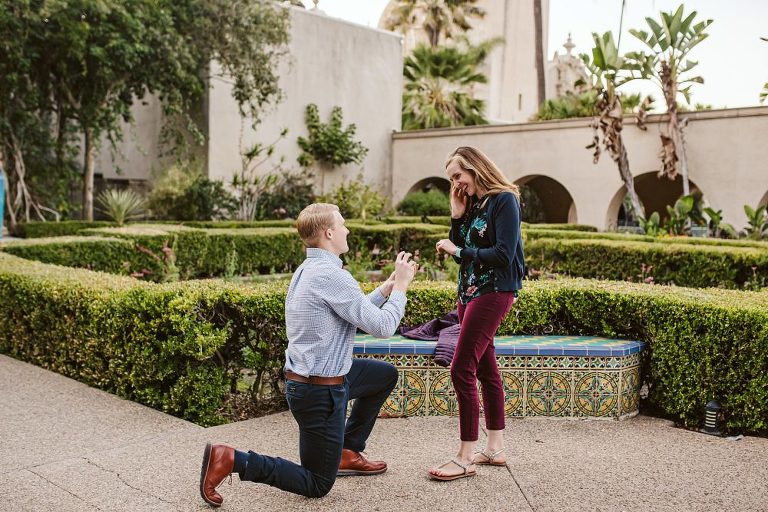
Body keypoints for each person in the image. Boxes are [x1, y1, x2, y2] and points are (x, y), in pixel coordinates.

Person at [200, 203, 418, 506]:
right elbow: (382, 326)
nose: (348, 229)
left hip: (318, 379)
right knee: (317, 483)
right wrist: (402, 288)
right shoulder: (331, 275)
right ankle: (234, 460)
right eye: (342, 224)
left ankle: (346, 450)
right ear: (328, 232)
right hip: (320, 392)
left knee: (383, 376)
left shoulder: (311, 269)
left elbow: (351, 311)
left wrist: (386, 289)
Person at [429, 146, 524, 481]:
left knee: (461, 368)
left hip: (494, 291)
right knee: (486, 368)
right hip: (468, 293)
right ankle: (494, 448)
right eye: (451, 178)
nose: (456, 182)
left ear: (475, 168)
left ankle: (465, 454)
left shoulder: (504, 200)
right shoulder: (475, 204)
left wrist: (458, 249)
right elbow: (463, 251)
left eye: (458, 175)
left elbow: (502, 253)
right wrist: (457, 216)